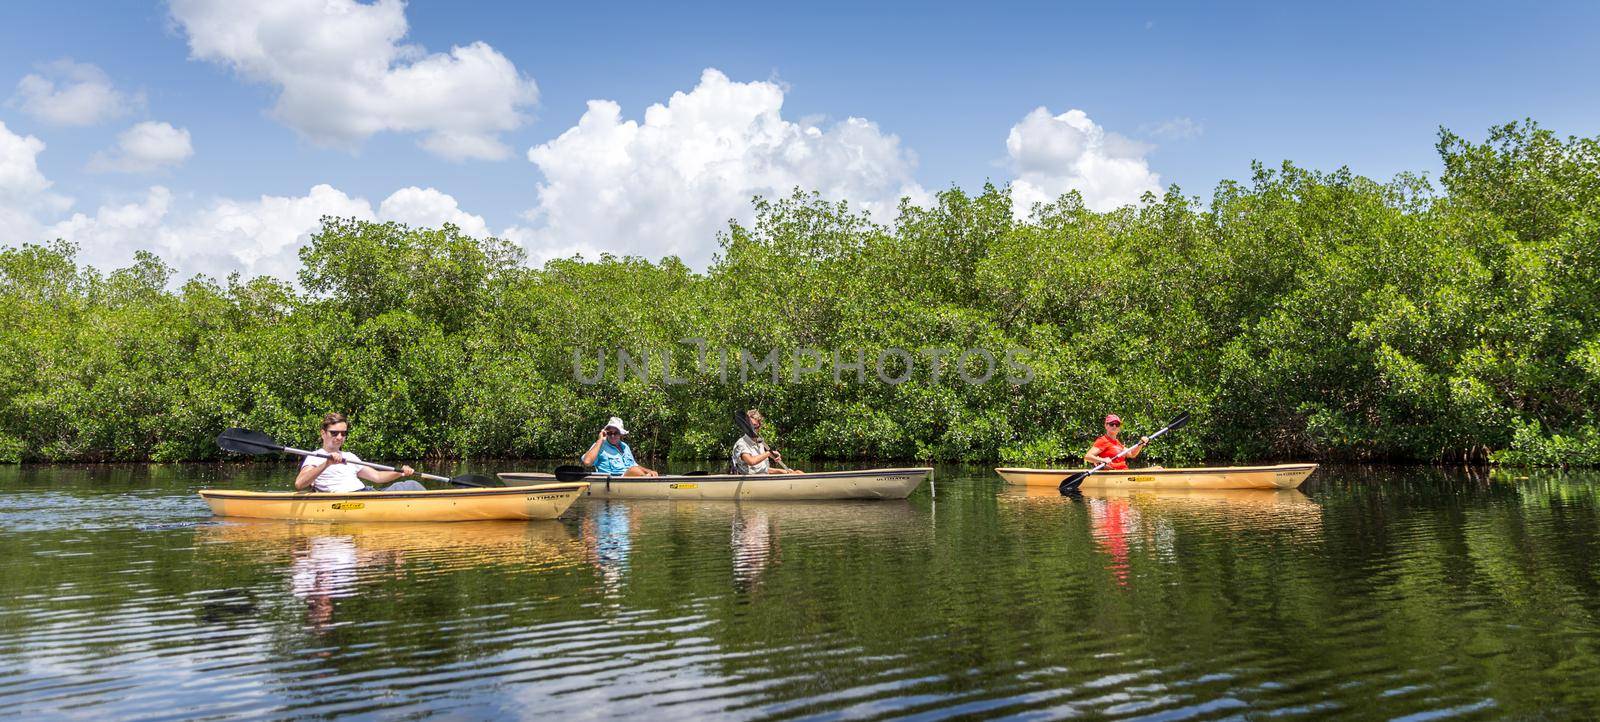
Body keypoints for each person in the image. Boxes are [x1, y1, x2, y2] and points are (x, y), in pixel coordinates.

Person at [293, 413, 425, 492]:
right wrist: (327, 463)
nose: (339, 437)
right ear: (323, 433)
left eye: (343, 433)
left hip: (366, 494)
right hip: (348, 500)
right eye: (334, 433)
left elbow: (377, 477)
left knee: (411, 484)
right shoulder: (314, 457)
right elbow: (299, 484)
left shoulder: (350, 456)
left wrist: (400, 472)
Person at [732, 409, 805, 474]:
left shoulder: (760, 443)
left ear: (759, 426)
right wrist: (768, 453)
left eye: (755, 426)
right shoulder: (741, 443)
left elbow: (762, 470)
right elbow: (751, 462)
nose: (752, 429)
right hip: (750, 482)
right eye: (750, 426)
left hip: (761, 480)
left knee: (798, 472)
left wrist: (784, 471)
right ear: (746, 425)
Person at [582, 416, 658, 477]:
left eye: (616, 433)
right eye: (609, 433)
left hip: (631, 478)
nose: (612, 435)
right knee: (634, 470)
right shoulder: (599, 445)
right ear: (606, 433)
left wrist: (649, 471)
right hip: (612, 480)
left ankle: (647, 477)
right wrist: (600, 439)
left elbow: (634, 465)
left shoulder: (625, 447)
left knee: (639, 470)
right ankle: (646, 479)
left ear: (621, 434)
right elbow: (587, 462)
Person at [1084, 414, 1149, 470]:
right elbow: (1087, 457)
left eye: (1117, 424)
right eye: (1112, 424)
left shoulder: (1117, 443)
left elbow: (1132, 454)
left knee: (1158, 468)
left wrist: (1141, 443)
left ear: (1119, 428)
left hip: (1124, 472)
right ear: (1106, 426)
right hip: (1114, 474)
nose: (1114, 426)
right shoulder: (1103, 440)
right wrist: (1102, 460)